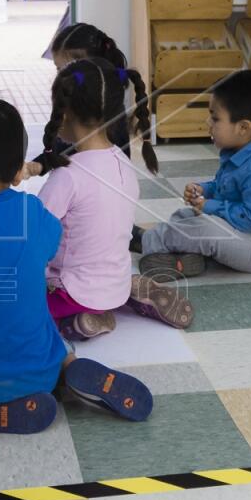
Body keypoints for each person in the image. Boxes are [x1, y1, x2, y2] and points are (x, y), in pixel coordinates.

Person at [0, 98, 152, 433]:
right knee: (42, 321)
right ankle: (70, 368)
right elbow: (46, 253)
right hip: (41, 368)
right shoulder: (35, 213)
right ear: (16, 173)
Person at [37, 59, 190, 339]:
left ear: (66, 113)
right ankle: (125, 294)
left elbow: (33, 237)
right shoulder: (122, 161)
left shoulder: (67, 176)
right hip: (115, 282)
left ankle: (77, 320)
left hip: (73, 291)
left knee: (14, 304)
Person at [140, 70, 251, 276]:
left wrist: (209, 205)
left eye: (215, 118)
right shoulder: (242, 149)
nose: (208, 123)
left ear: (243, 127)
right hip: (245, 234)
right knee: (186, 216)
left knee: (204, 228)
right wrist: (204, 190)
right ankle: (181, 257)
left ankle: (145, 243)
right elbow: (225, 187)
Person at [26, 23, 136, 177]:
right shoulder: (77, 107)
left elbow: (120, 169)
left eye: (68, 71)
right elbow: (63, 145)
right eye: (58, 69)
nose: (61, 78)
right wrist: (38, 165)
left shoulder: (111, 116)